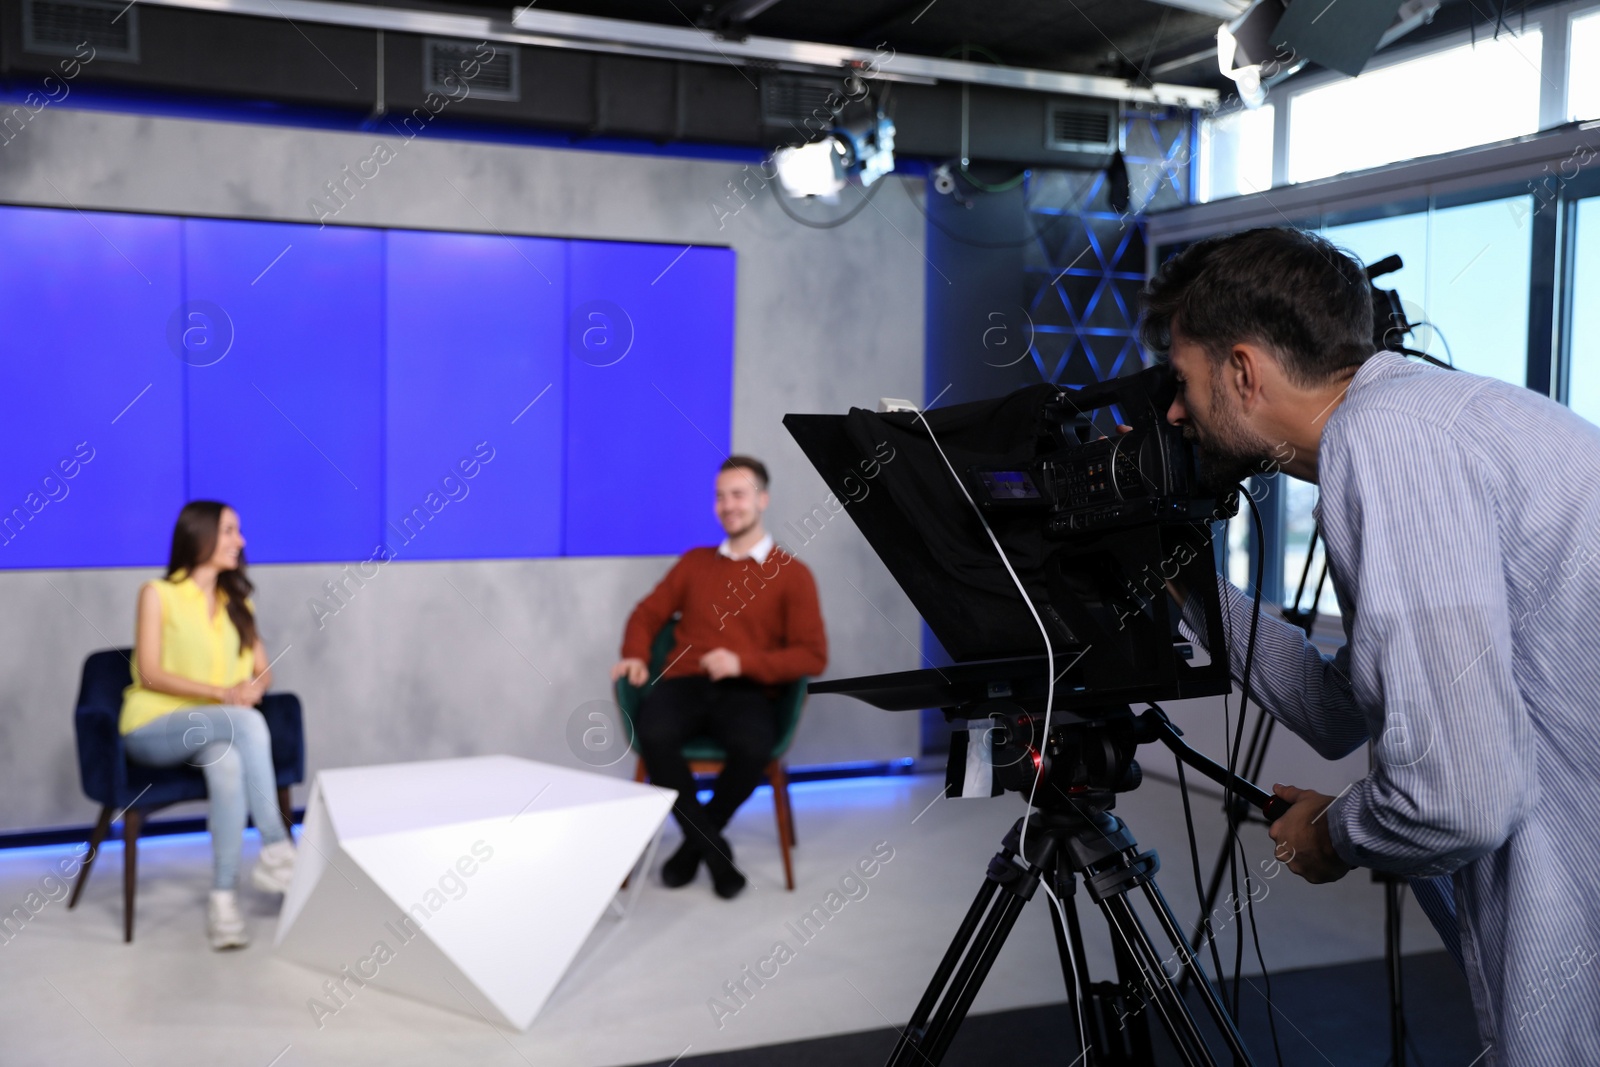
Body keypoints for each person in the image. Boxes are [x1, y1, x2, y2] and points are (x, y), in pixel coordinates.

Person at [1142, 226, 1600, 1066]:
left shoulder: (1388, 442)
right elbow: (1334, 708)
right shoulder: (1425, 421)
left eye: (1184, 380)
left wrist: (1335, 834)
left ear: (1242, 371)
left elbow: (1457, 799)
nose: (1175, 411)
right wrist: (1183, 577)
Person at [611, 456, 827, 899]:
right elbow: (646, 613)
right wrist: (635, 655)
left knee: (754, 746)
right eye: (720, 496)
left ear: (762, 500)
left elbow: (812, 655)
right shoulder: (694, 563)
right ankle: (713, 848)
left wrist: (743, 662)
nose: (728, 505)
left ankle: (694, 846)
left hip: (748, 691)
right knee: (654, 731)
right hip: (685, 683)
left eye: (739, 494)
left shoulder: (793, 575)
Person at [120, 501, 298, 950]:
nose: (240, 541)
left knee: (228, 766)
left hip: (216, 729)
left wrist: (251, 689)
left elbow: (263, 670)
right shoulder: (157, 594)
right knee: (247, 723)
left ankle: (223, 900)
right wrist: (226, 696)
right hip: (154, 725)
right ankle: (277, 848)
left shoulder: (239, 602)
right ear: (199, 536)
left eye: (238, 532)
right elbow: (149, 673)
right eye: (229, 531)